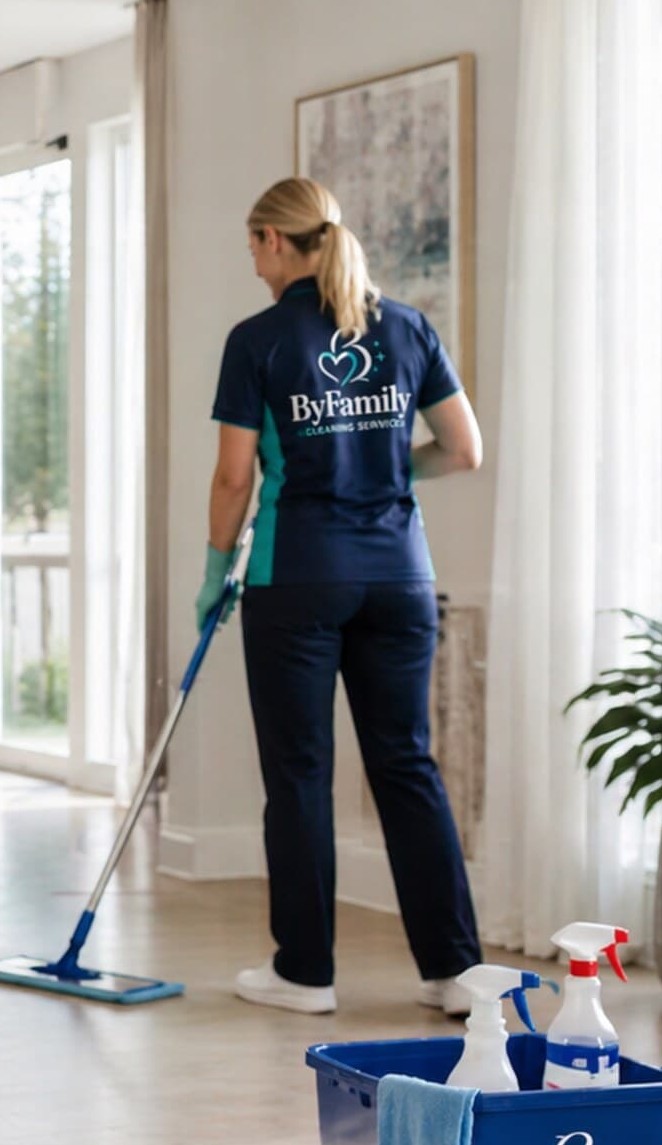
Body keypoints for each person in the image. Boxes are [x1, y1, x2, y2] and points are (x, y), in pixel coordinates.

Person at [206, 177, 486, 1016]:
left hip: (297, 577)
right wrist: (389, 463)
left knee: (299, 773)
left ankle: (305, 972)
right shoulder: (406, 326)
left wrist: (213, 569)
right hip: (400, 577)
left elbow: (232, 476)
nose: (252, 262)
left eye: (253, 245)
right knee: (407, 765)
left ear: (273, 242)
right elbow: (464, 449)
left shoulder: (257, 339)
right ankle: (456, 973)